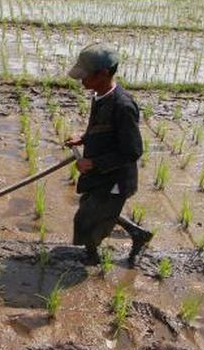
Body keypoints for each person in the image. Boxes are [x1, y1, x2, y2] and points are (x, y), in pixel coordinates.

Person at [65, 42, 152, 266]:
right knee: (91, 208)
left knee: (86, 218)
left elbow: (132, 151)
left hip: (115, 178)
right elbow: (101, 128)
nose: (81, 81)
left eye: (85, 76)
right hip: (102, 174)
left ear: (103, 74)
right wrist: (83, 139)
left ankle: (92, 257)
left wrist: (93, 163)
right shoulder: (99, 95)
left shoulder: (123, 106)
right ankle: (137, 233)